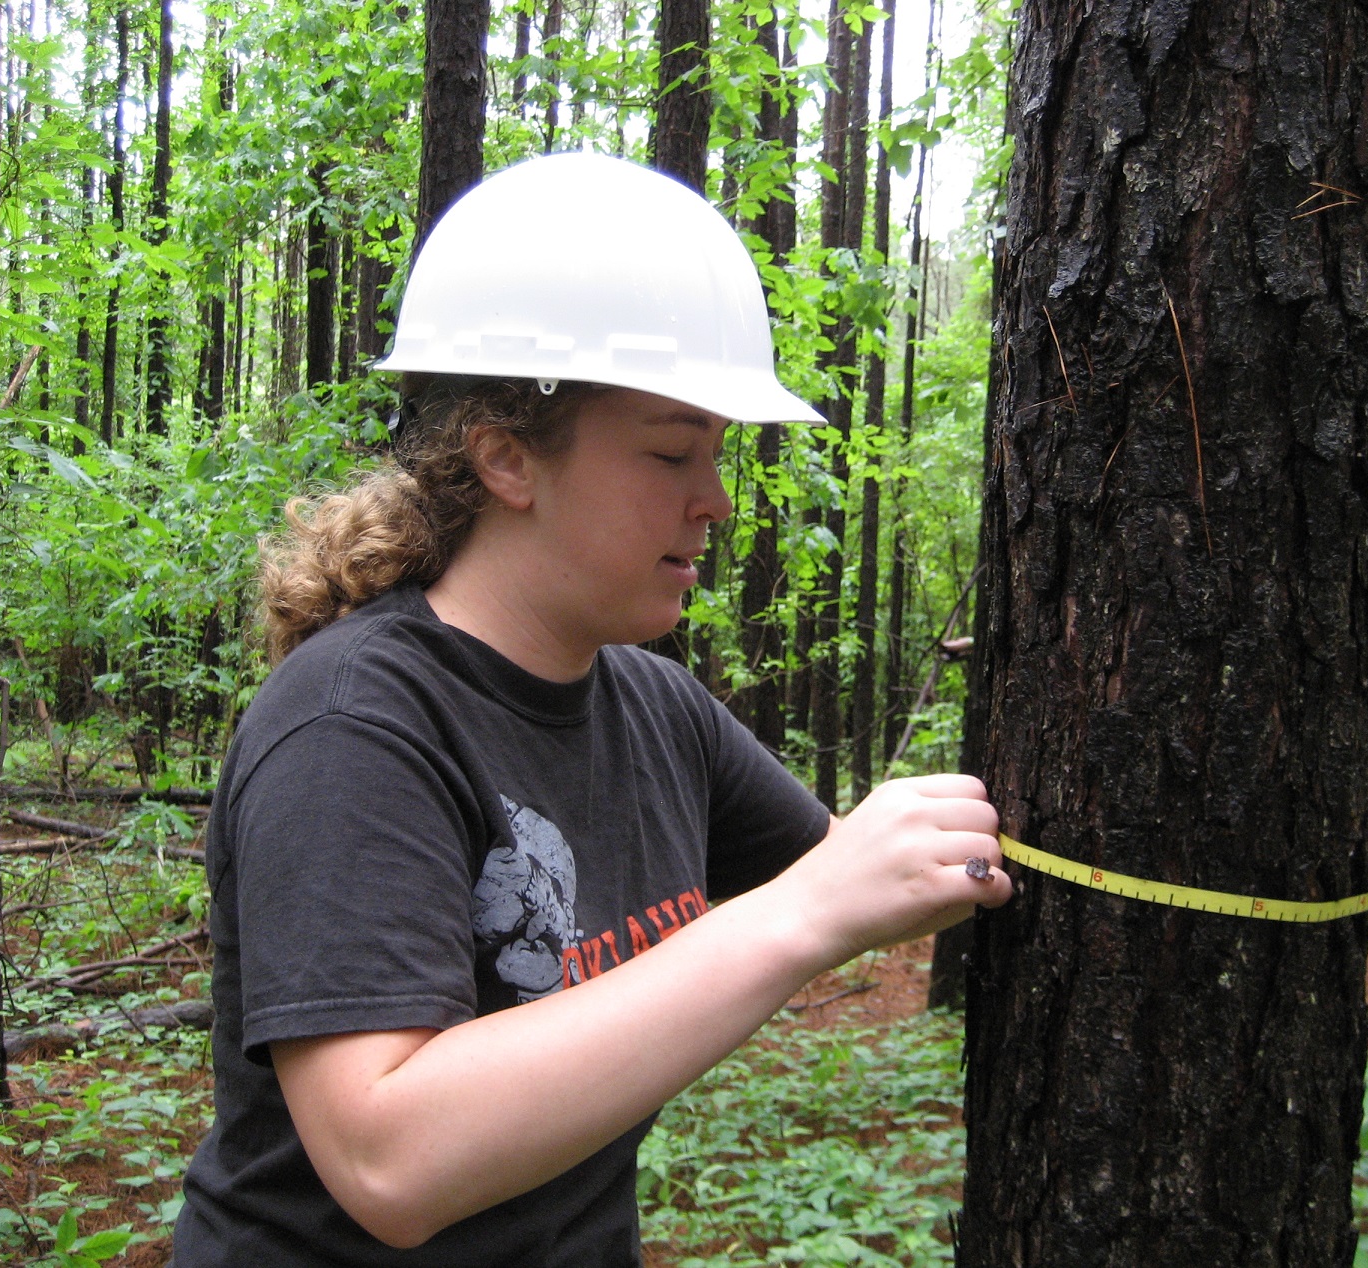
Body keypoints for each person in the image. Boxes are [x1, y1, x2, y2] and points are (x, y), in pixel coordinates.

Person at [170, 152, 1011, 1267]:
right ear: (507, 457)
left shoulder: (655, 707)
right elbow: (388, 1157)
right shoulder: (353, 723)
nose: (713, 500)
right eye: (670, 451)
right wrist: (802, 912)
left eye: (716, 455)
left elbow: (853, 873)